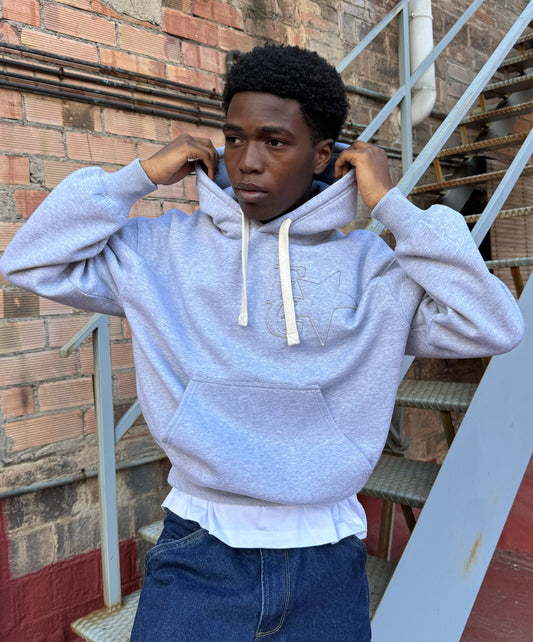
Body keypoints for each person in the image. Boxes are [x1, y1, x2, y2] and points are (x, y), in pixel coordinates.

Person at [0, 45, 524, 641]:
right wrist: (137, 177)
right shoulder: (162, 250)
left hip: (326, 559)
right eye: (235, 138)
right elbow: (30, 261)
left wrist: (390, 205)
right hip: (198, 550)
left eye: (275, 141)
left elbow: (494, 325)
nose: (247, 161)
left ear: (323, 154)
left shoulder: (374, 271)